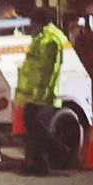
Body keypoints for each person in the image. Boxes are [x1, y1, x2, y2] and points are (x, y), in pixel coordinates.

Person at [15, 9, 76, 173]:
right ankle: (39, 165)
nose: (31, 26)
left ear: (39, 22)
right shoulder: (42, 37)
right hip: (35, 94)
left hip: (42, 95)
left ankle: (59, 151)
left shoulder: (50, 40)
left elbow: (49, 70)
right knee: (33, 130)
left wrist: (40, 93)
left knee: (37, 129)